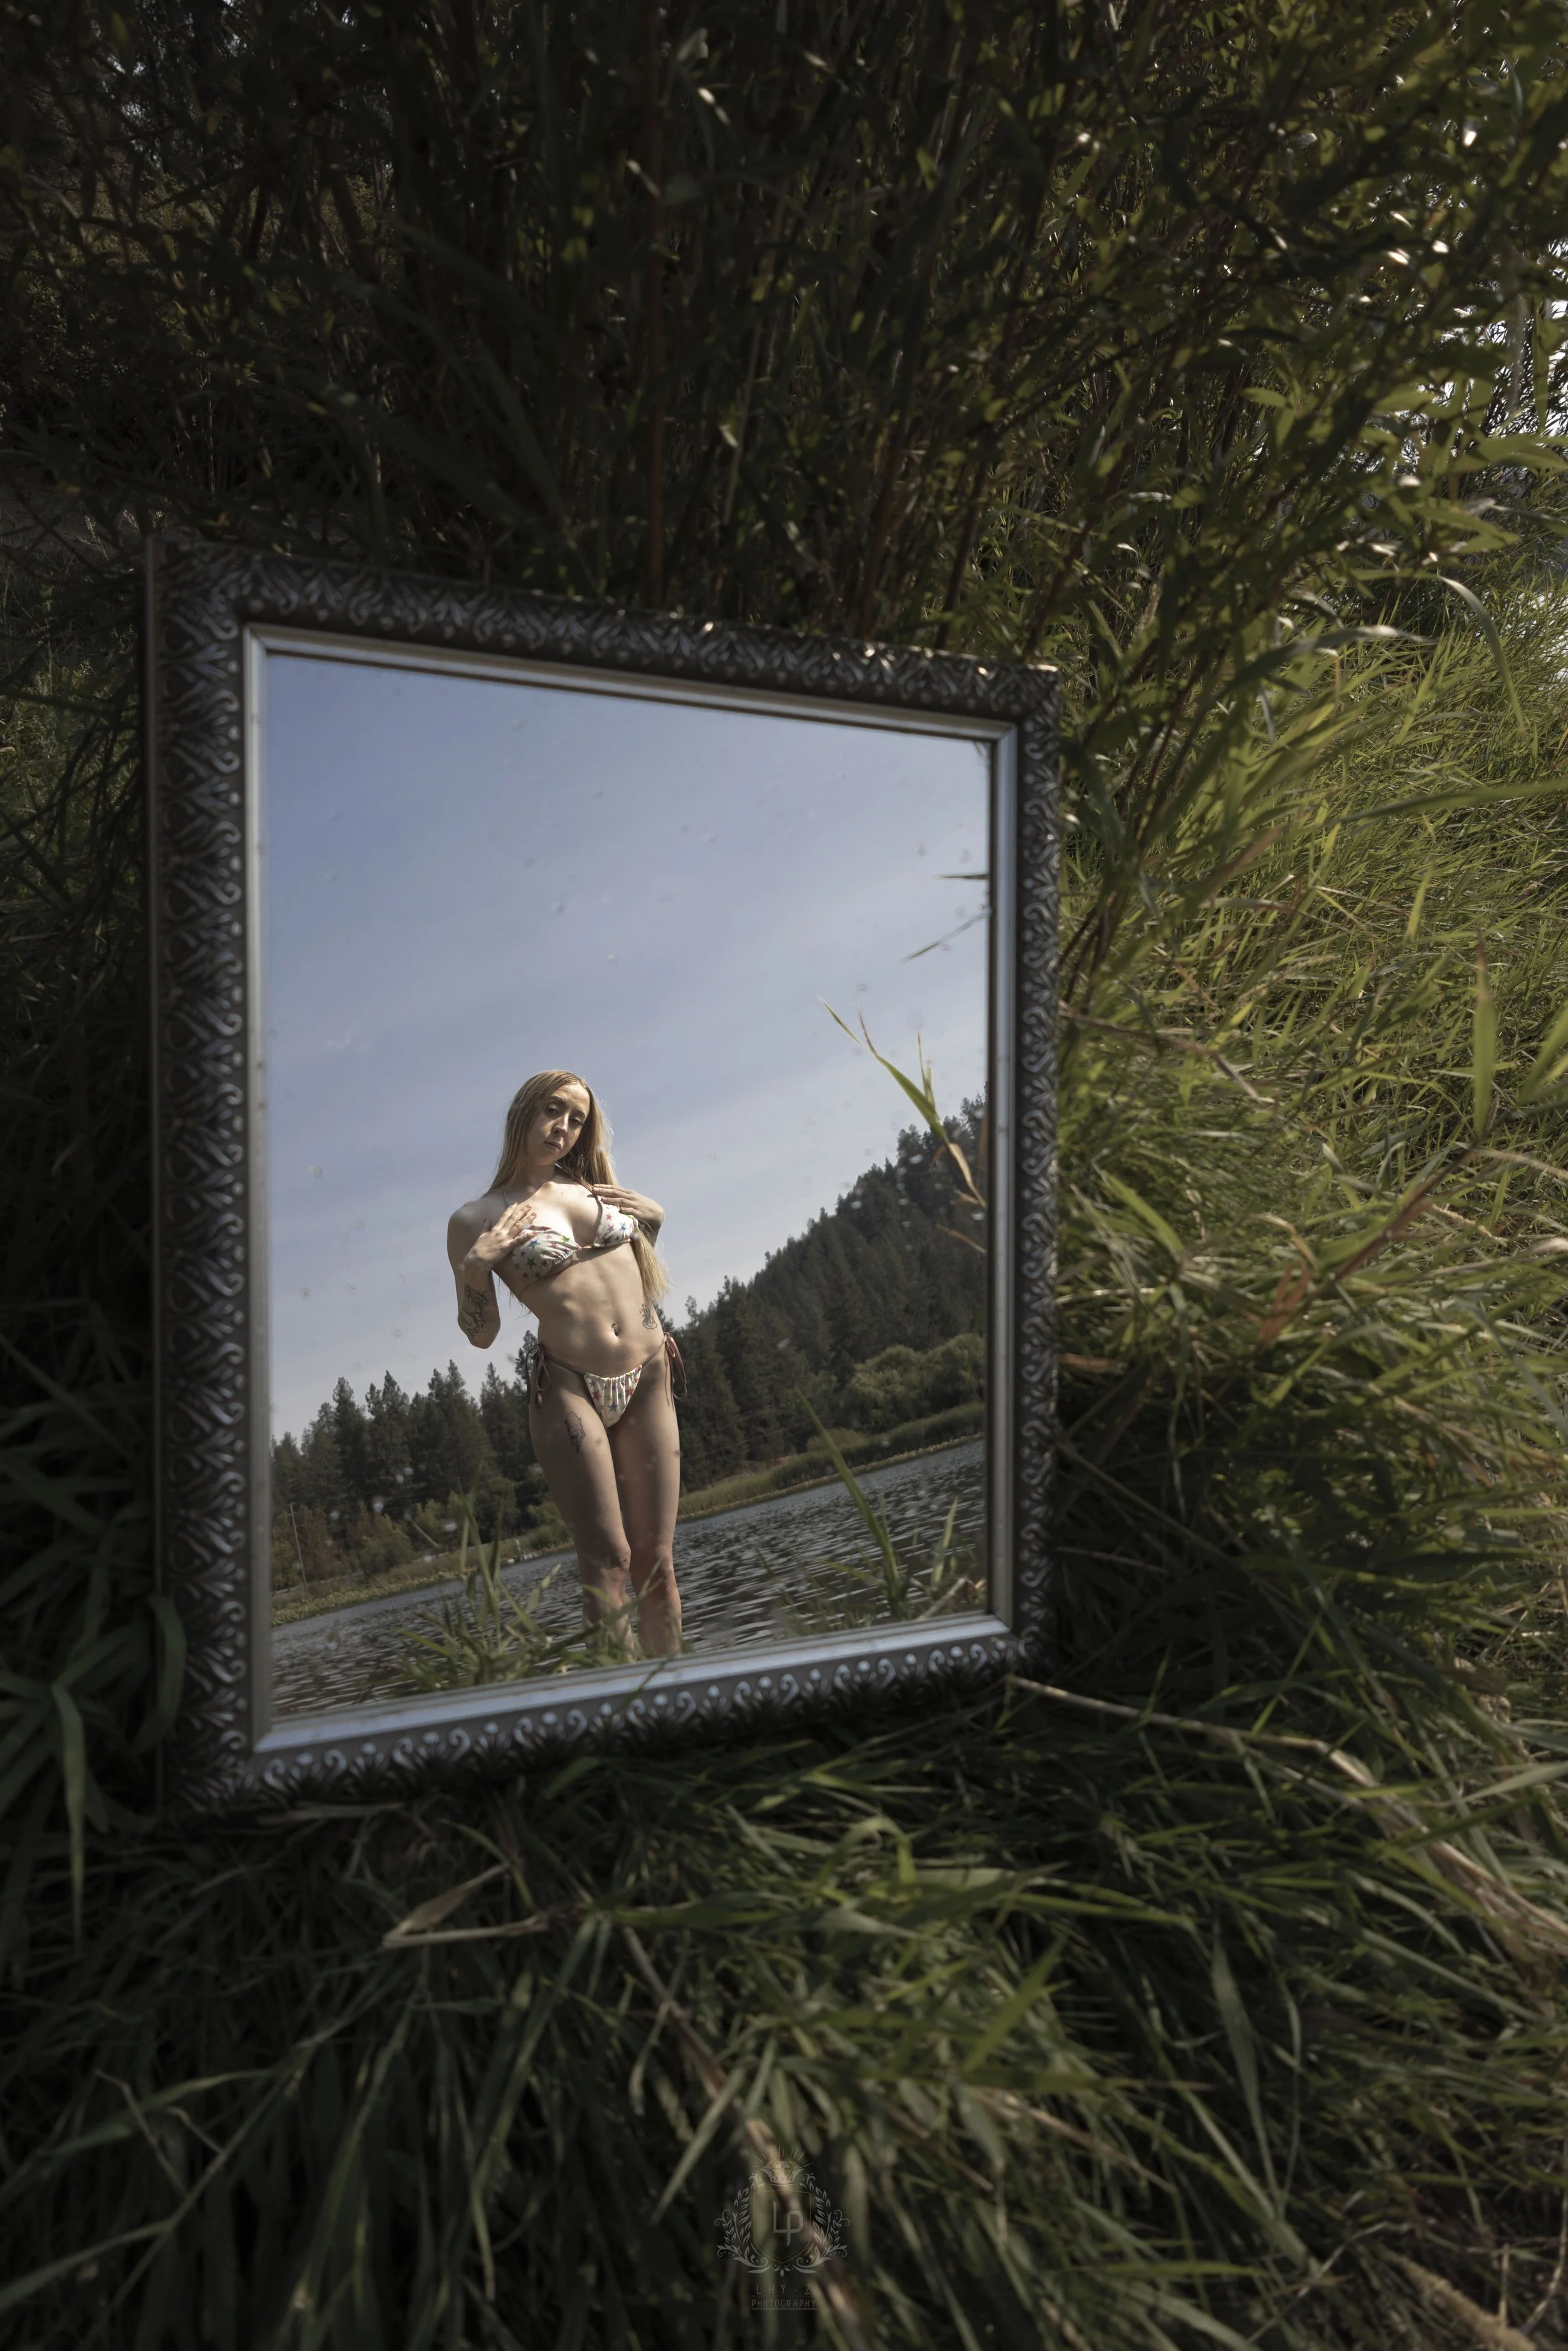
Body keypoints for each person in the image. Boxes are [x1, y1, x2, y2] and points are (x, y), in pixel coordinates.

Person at [447, 1071, 683, 1655]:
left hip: (650, 1371)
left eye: (577, 1119)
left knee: (657, 1558)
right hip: (571, 1387)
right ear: (524, 1112)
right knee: (610, 1560)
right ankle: (623, 1714)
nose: (564, 1128)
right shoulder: (476, 1220)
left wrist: (653, 1218)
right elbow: (481, 1336)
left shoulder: (599, 1191)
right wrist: (475, 1270)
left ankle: (682, 1700)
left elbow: (634, 1267)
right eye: (553, 1111)